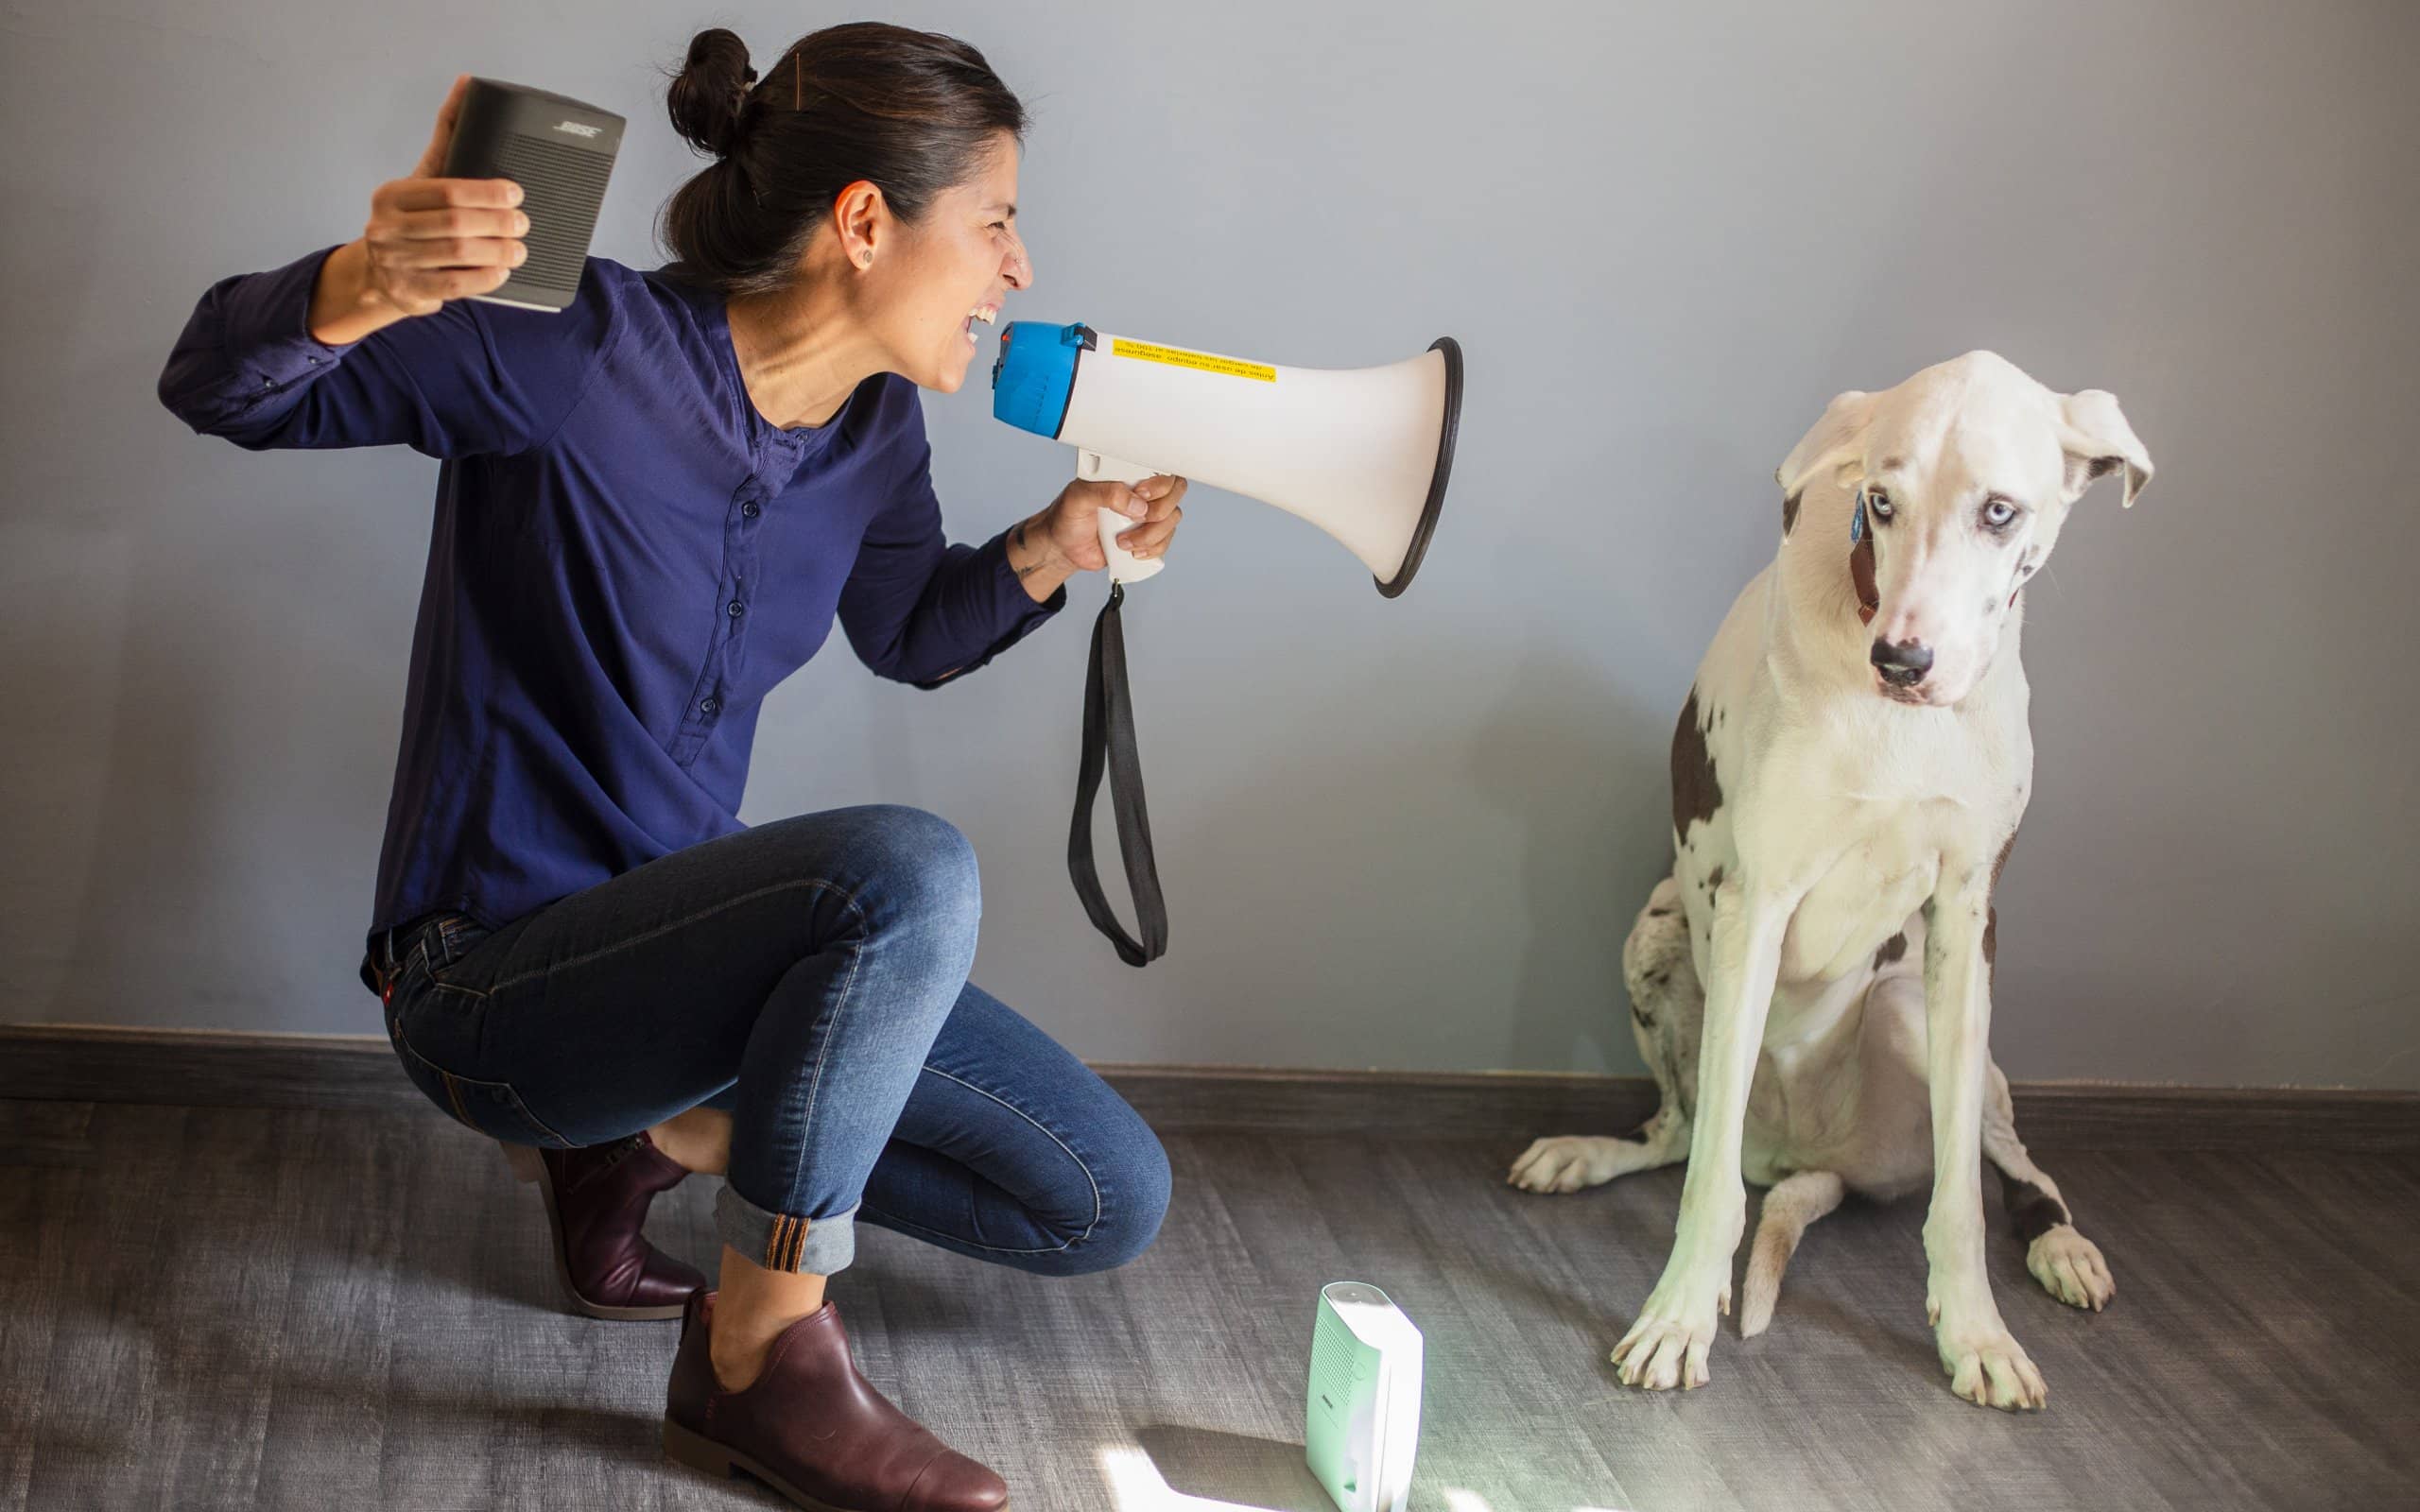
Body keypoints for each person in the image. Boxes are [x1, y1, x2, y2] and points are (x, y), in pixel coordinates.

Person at [155, 23, 1184, 1512]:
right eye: (1000, 221)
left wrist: (1055, 545)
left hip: (688, 978)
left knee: (1103, 1198)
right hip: (487, 984)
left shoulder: (875, 429)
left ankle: (664, 1126)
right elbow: (217, 386)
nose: (1019, 270)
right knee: (906, 871)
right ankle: (763, 1354)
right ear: (863, 223)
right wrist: (358, 286)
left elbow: (906, 629)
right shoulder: (575, 348)